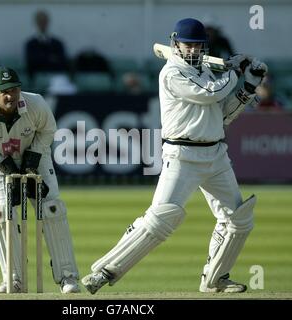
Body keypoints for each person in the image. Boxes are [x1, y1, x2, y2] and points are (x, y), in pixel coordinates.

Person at [82, 18, 267, 294]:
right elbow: (209, 93)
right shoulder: (171, 73)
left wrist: (248, 88)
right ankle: (104, 271)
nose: (192, 50)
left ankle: (215, 279)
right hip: (182, 156)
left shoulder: (206, 71)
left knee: (239, 219)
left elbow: (223, 114)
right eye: (187, 44)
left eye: (197, 45)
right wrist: (234, 69)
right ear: (175, 44)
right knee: (161, 219)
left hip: (216, 155)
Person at [0, 66, 80, 294]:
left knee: (51, 208)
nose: (10, 95)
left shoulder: (36, 104)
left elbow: (48, 131)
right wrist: (3, 164)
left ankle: (68, 277)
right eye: (4, 91)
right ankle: (14, 278)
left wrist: (32, 159)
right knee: (2, 213)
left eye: (14, 89)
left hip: (35, 155)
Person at [25, 10, 68, 79]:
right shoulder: (30, 44)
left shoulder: (57, 43)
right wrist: (51, 59)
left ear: (48, 22)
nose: (42, 24)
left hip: (56, 77)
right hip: (37, 78)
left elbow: (62, 62)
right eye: (40, 21)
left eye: (44, 21)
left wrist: (42, 59)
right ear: (36, 23)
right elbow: (31, 63)